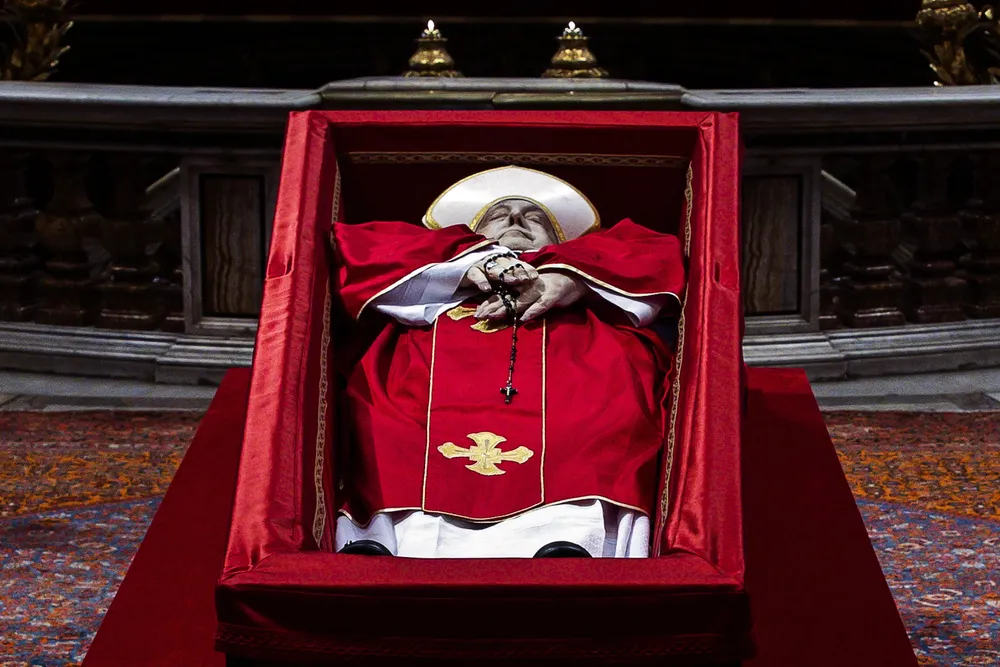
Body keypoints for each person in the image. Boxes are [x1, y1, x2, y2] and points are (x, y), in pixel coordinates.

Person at [331, 165, 685, 558]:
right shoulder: (436, 265)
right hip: (428, 371)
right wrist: (466, 268)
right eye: (499, 215)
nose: (516, 219)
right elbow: (357, 248)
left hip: (574, 368)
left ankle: (574, 543)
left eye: (534, 217)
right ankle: (392, 545)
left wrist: (568, 276)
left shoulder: (585, 268)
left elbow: (658, 253)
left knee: (602, 416)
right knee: (388, 422)